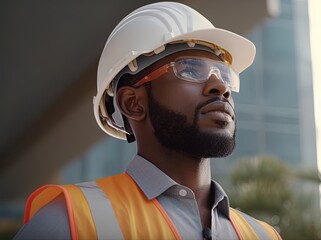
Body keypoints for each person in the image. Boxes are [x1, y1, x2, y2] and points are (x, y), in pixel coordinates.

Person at [15, 2, 282, 239]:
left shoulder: (263, 235)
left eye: (225, 75)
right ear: (133, 103)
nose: (220, 87)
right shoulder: (71, 220)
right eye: (189, 69)